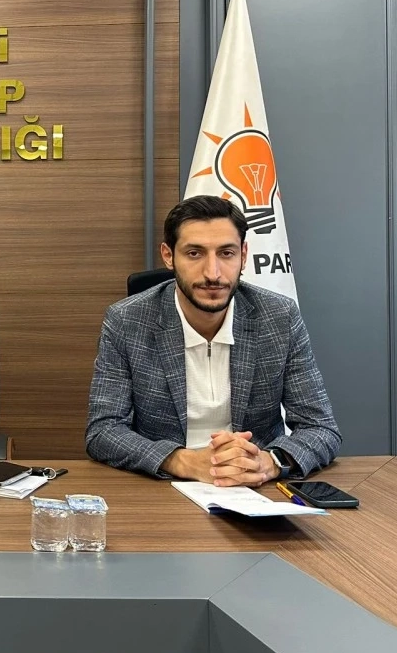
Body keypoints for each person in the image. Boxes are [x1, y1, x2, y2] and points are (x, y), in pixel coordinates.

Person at [86, 195, 340, 485]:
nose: (213, 273)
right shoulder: (127, 320)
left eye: (226, 253)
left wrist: (269, 462)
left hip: (255, 487)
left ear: (244, 255)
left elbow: (321, 428)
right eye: (194, 253)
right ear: (168, 256)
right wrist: (183, 461)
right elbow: (103, 431)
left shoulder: (279, 317)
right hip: (163, 486)